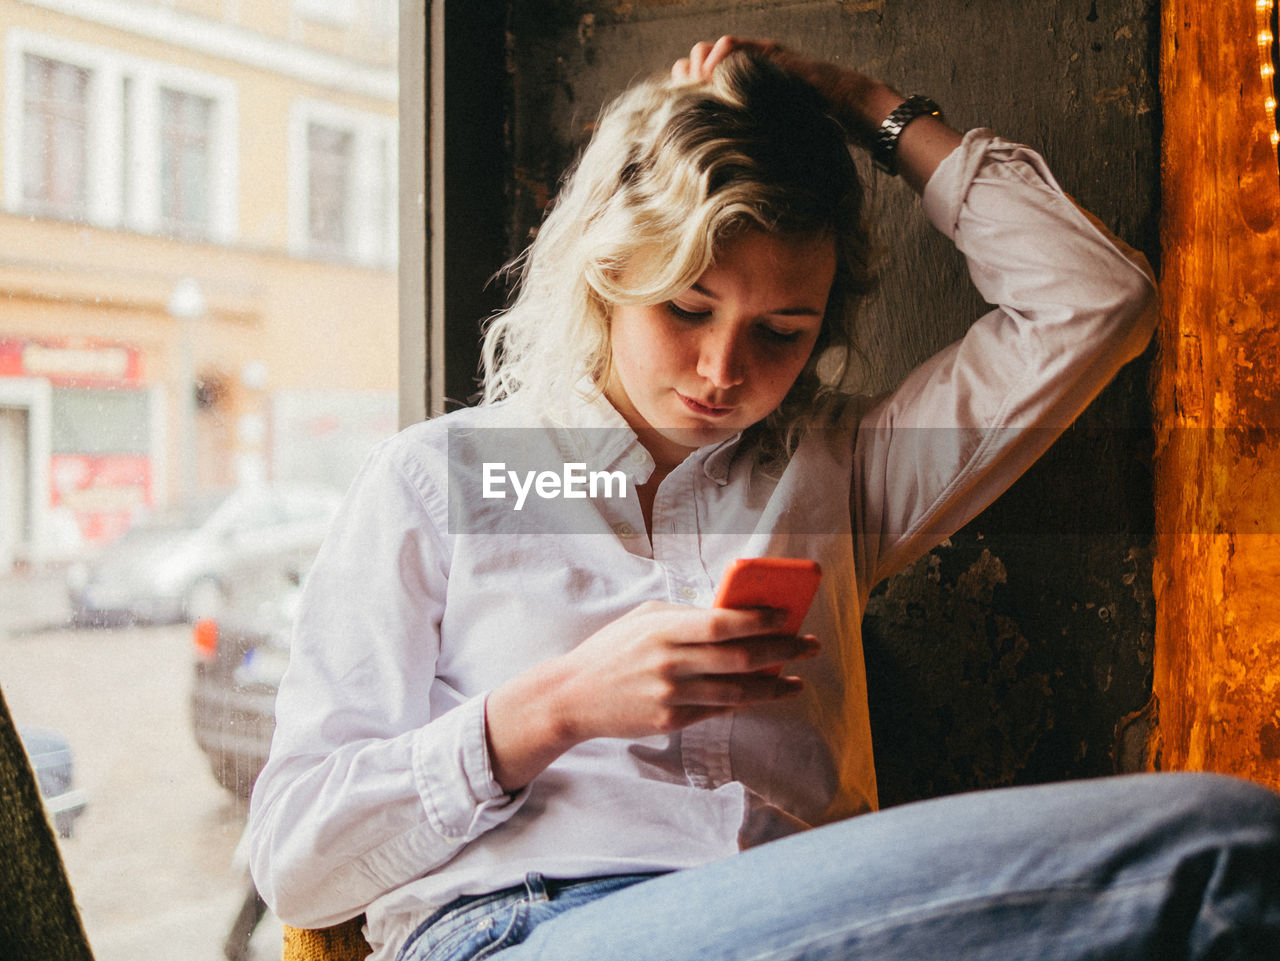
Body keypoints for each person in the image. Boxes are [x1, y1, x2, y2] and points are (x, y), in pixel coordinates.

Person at [249, 36, 1280, 961]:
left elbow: (1094, 299)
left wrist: (861, 105)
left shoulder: (844, 472)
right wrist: (549, 709)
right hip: (518, 925)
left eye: (779, 331)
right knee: (1222, 848)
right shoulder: (439, 478)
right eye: (685, 308)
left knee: (1222, 845)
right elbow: (297, 858)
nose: (719, 368)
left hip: (807, 912)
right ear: (607, 275)